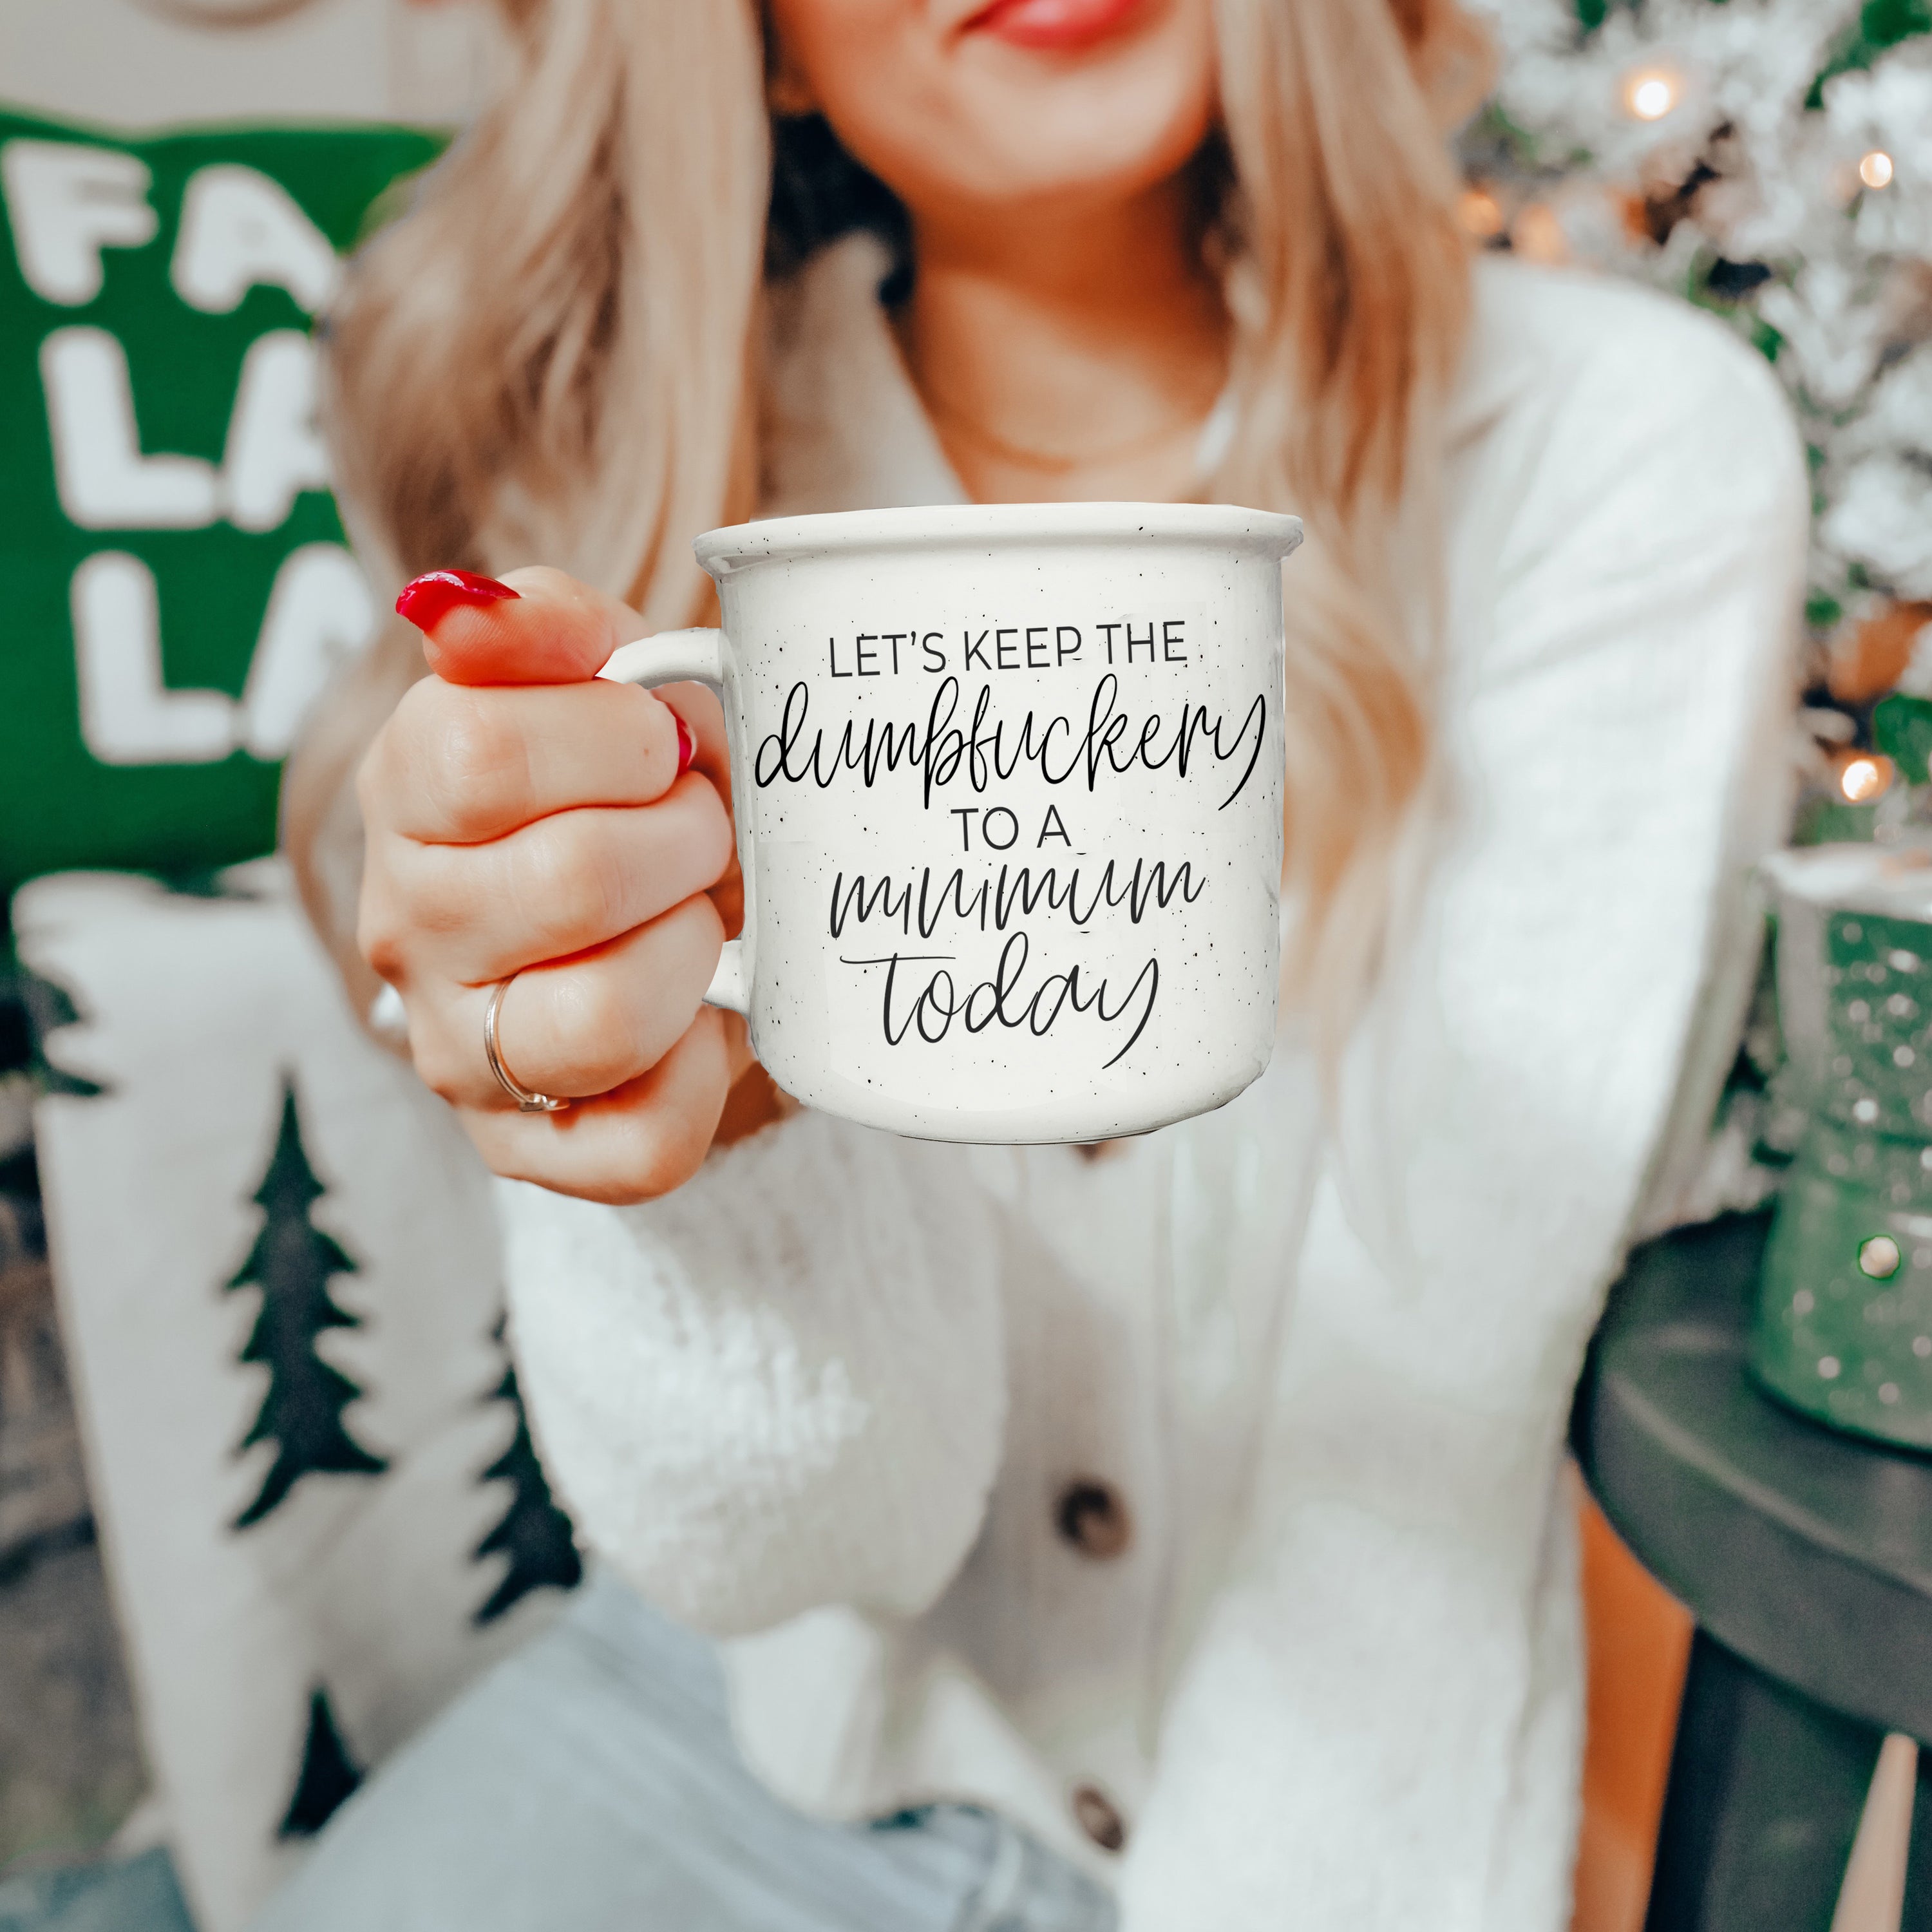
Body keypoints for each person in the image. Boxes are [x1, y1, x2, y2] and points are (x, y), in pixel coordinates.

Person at [267, 0, 1808, 1926]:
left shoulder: (1608, 447)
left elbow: (1439, 1390)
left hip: (1336, 1822)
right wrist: (725, 1164)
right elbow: (818, 1546)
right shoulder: (660, 475)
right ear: (758, 42)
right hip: (743, 1725)